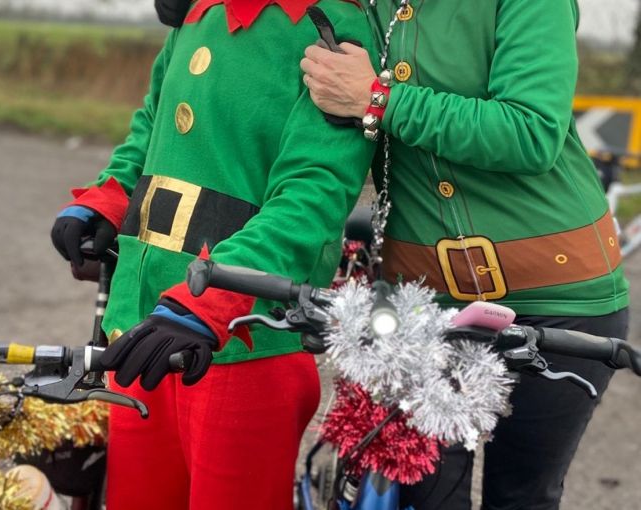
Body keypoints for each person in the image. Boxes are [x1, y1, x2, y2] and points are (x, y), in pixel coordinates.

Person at [300, 1, 629, 509]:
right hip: (422, 301)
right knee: (423, 496)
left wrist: (379, 99)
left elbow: (531, 131)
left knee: (521, 497)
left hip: (560, 296)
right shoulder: (361, 7)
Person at [50, 1, 376, 508]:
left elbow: (312, 195)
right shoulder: (197, 12)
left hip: (243, 344)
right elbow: (152, 127)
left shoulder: (331, 23)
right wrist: (107, 198)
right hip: (142, 333)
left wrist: (212, 299)